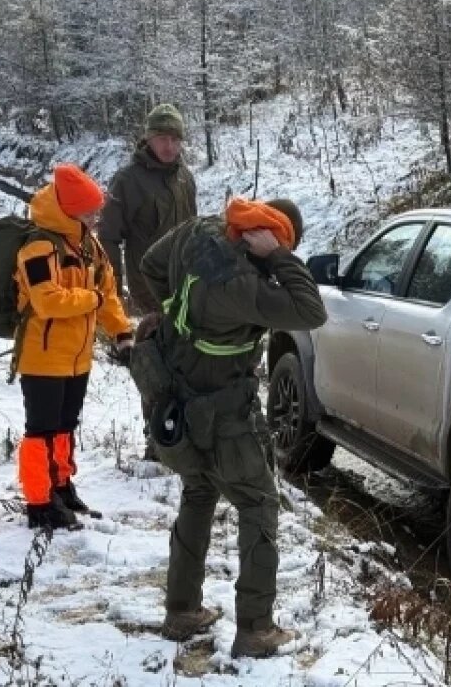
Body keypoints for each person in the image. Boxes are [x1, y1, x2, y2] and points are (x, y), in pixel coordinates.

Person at [136, 197, 325, 658]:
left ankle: (181, 610)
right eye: (281, 244)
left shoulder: (197, 232)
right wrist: (279, 257)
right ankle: (256, 628)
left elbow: (149, 263)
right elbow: (310, 310)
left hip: (177, 394)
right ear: (266, 236)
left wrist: (173, 311)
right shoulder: (244, 286)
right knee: (259, 503)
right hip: (223, 409)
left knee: (199, 491)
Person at [14, 164, 134, 530]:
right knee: (41, 431)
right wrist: (92, 299)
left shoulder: (88, 244)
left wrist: (122, 333)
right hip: (43, 356)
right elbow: (47, 301)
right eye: (90, 209)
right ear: (70, 208)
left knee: (66, 426)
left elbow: (109, 294)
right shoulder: (39, 246)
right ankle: (39, 502)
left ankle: (62, 487)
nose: (97, 216)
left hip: (78, 358)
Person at [100, 103, 197, 315]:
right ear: (149, 139)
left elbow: (193, 230)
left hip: (184, 281)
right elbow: (108, 237)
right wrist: (112, 291)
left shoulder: (185, 178)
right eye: (162, 139)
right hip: (148, 288)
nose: (169, 146)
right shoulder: (128, 180)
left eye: (175, 139)